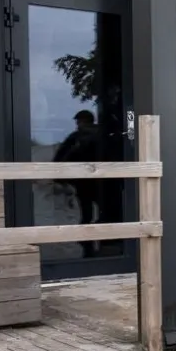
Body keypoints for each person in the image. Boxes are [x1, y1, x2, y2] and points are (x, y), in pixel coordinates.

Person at [54, 109, 100, 257]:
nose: (77, 124)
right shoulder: (102, 135)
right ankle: (95, 242)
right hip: (102, 181)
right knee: (100, 211)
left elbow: (62, 157)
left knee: (86, 211)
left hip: (83, 181)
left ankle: (87, 243)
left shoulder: (77, 137)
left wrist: (59, 177)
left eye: (78, 121)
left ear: (82, 122)